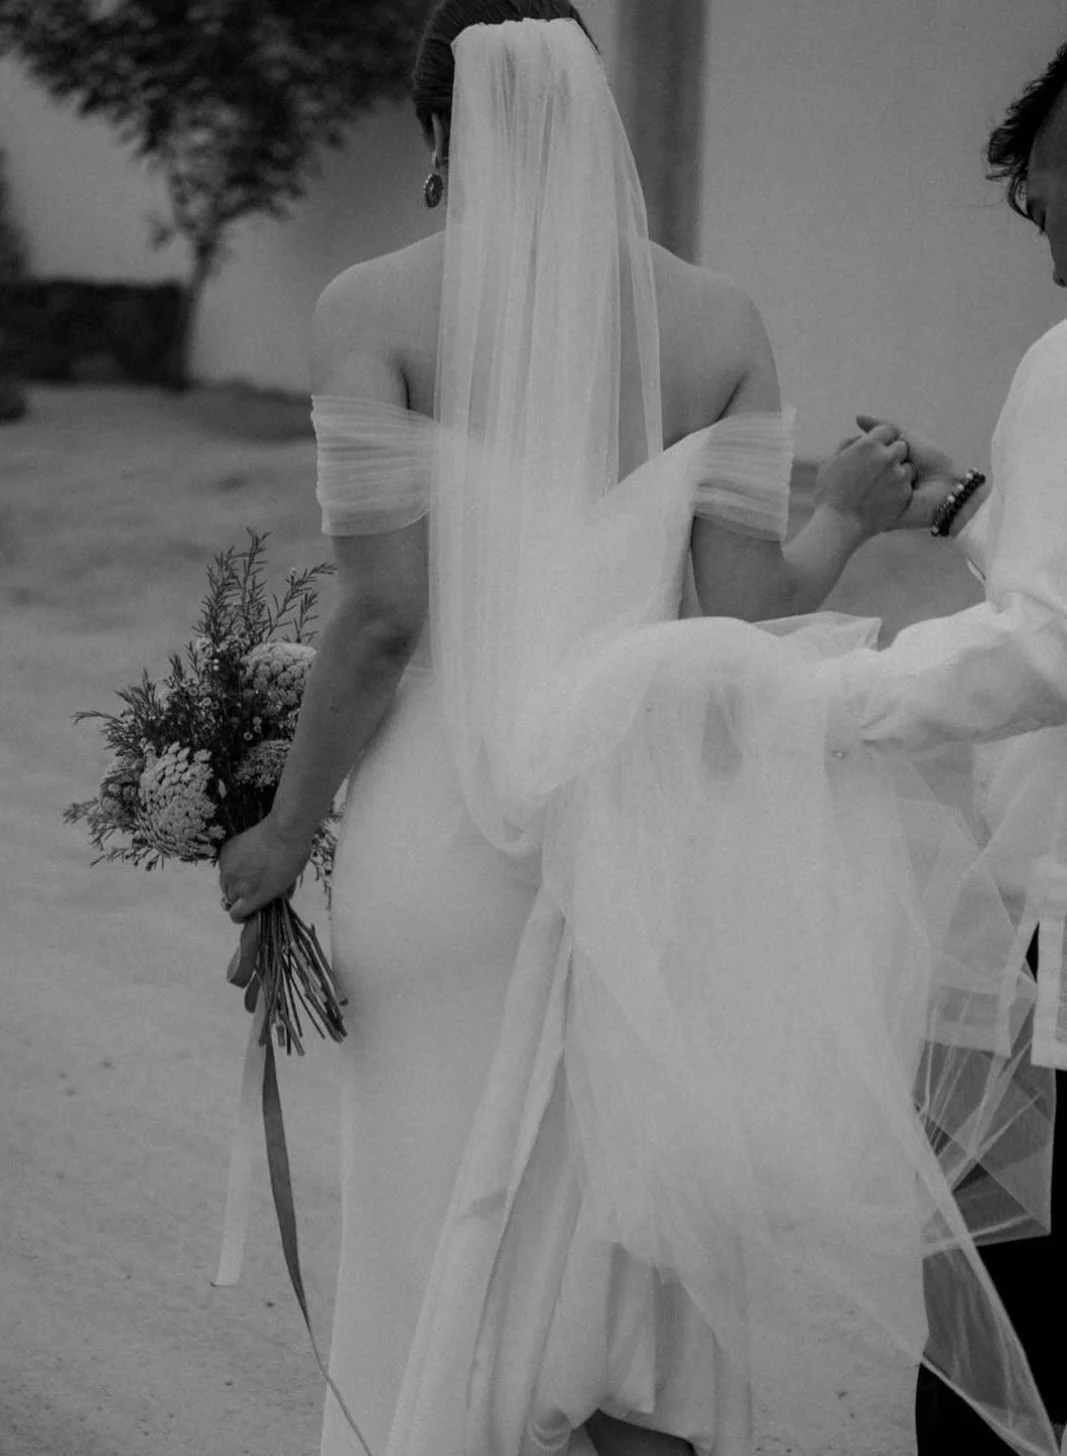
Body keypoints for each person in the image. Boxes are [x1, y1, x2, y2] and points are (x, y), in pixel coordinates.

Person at [218, 6, 1059, 1455]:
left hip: (442, 843)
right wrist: (844, 522)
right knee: (618, 1249)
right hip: (644, 841)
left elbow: (381, 620)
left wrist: (283, 834)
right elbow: (742, 620)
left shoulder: (371, 308)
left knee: (435, 1227)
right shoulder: (717, 319)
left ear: (437, 136)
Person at [837, 39, 1067, 1452]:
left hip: (1053, 933)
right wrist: (975, 510)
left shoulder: (1066, 355)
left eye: (1031, 173)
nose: (1017, 204)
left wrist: (822, 700)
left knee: (994, 1348)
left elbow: (1051, 645)